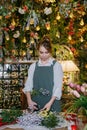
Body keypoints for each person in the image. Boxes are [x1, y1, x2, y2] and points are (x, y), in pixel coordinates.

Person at [22, 35, 63, 112]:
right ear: (38, 51)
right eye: (41, 52)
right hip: (36, 104)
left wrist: (50, 103)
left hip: (52, 103)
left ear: (50, 52)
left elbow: (58, 87)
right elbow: (28, 85)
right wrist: (29, 101)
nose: (44, 55)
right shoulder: (33, 66)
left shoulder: (56, 66)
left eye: (46, 52)